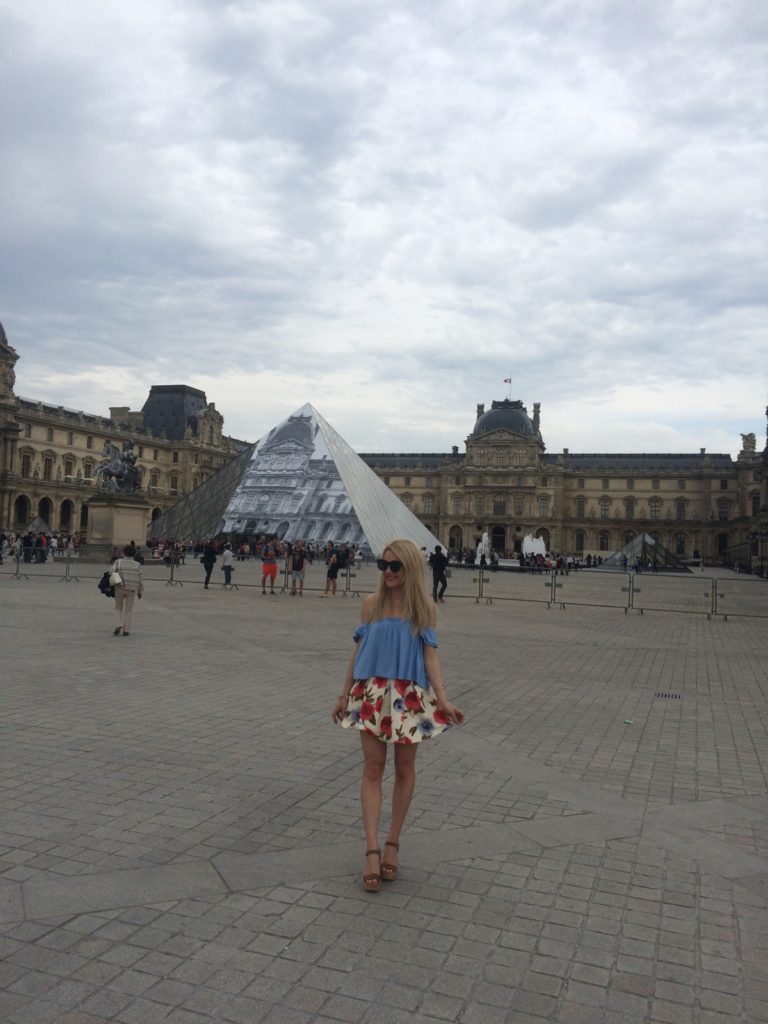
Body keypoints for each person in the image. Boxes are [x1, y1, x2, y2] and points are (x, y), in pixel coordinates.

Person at [332, 538, 464, 892]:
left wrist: (444, 700)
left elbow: (431, 658)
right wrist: (344, 693)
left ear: (410, 568)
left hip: (408, 694)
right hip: (373, 692)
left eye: (395, 566)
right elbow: (357, 652)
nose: (387, 572)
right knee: (372, 768)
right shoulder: (370, 605)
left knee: (404, 770)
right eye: (383, 565)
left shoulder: (424, 610)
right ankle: (372, 848)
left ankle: (393, 841)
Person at [111, 543, 143, 636]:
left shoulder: (118, 562)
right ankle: (126, 629)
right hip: (132, 589)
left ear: (124, 552)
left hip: (119, 587)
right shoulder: (137, 565)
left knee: (118, 608)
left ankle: (118, 625)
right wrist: (140, 591)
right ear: (134, 553)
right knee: (129, 610)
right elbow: (140, 579)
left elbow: (111, 571)